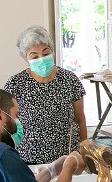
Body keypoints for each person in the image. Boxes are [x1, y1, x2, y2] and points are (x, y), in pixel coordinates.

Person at [5, 25, 87, 164]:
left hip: (67, 159)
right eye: (34, 56)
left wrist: (85, 151)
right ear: (26, 59)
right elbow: (8, 124)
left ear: (52, 51)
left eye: (45, 53)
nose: (41, 59)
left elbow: (80, 119)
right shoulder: (15, 84)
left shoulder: (70, 79)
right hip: (28, 160)